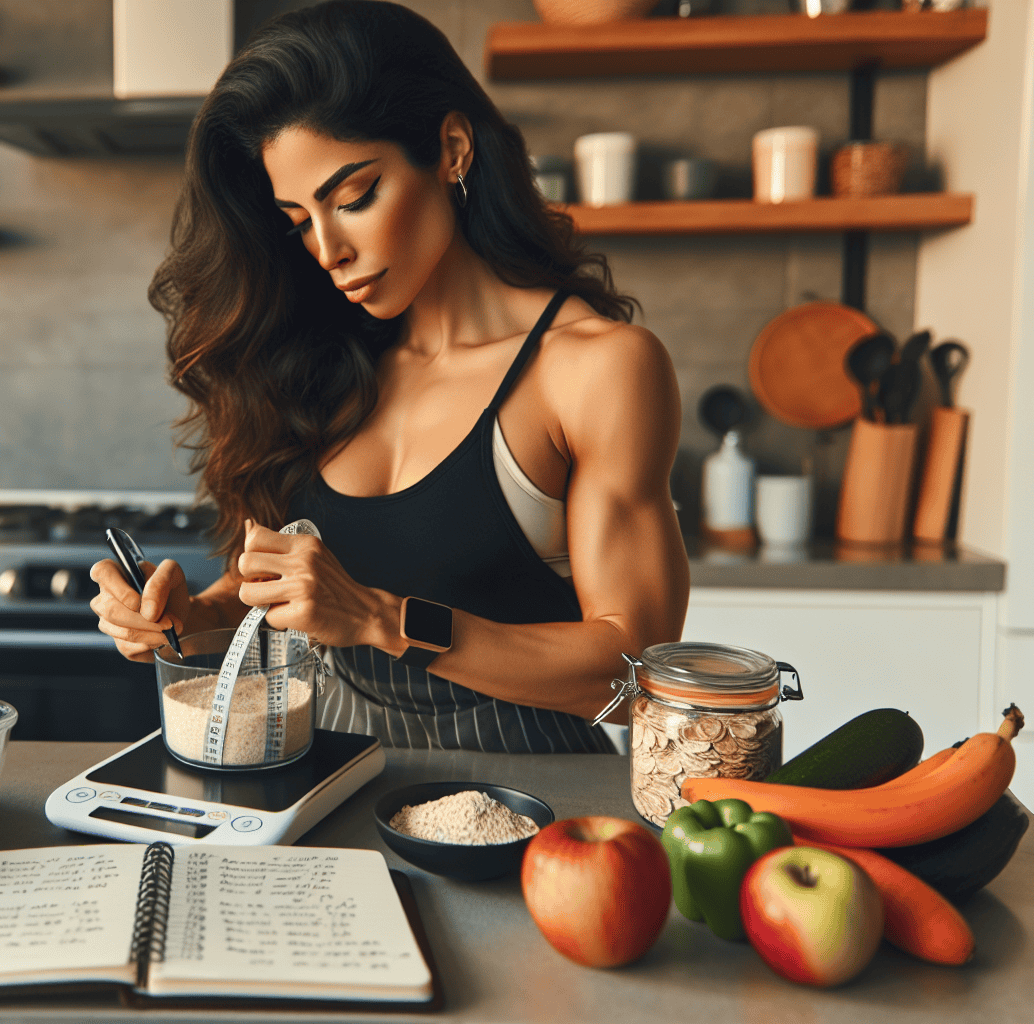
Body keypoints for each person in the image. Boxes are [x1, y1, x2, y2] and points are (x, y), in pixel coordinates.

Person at [90, 0, 689, 753]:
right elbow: (284, 595)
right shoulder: (317, 358)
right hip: (323, 784)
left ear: (451, 149)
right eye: (299, 220)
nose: (327, 249)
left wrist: (381, 618)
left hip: (530, 807)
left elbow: (636, 673)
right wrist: (191, 617)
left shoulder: (597, 368)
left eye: (354, 197)